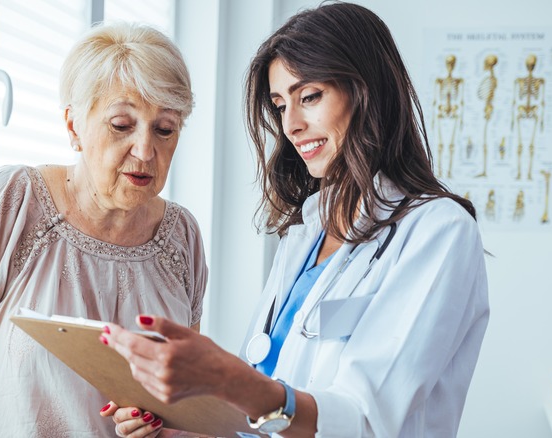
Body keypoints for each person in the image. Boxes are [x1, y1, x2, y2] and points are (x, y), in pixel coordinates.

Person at [100, 3, 489, 437]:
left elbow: (365, 420)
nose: (292, 125)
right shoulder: (306, 232)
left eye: (310, 97)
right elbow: (262, 415)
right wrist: (175, 422)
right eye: (280, 105)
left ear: (368, 91)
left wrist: (225, 377)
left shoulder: (439, 231)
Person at [0, 22, 206, 437]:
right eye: (121, 125)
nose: (146, 151)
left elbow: (190, 399)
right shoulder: (13, 202)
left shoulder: (182, 236)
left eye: (165, 129)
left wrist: (163, 423)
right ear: (74, 126)